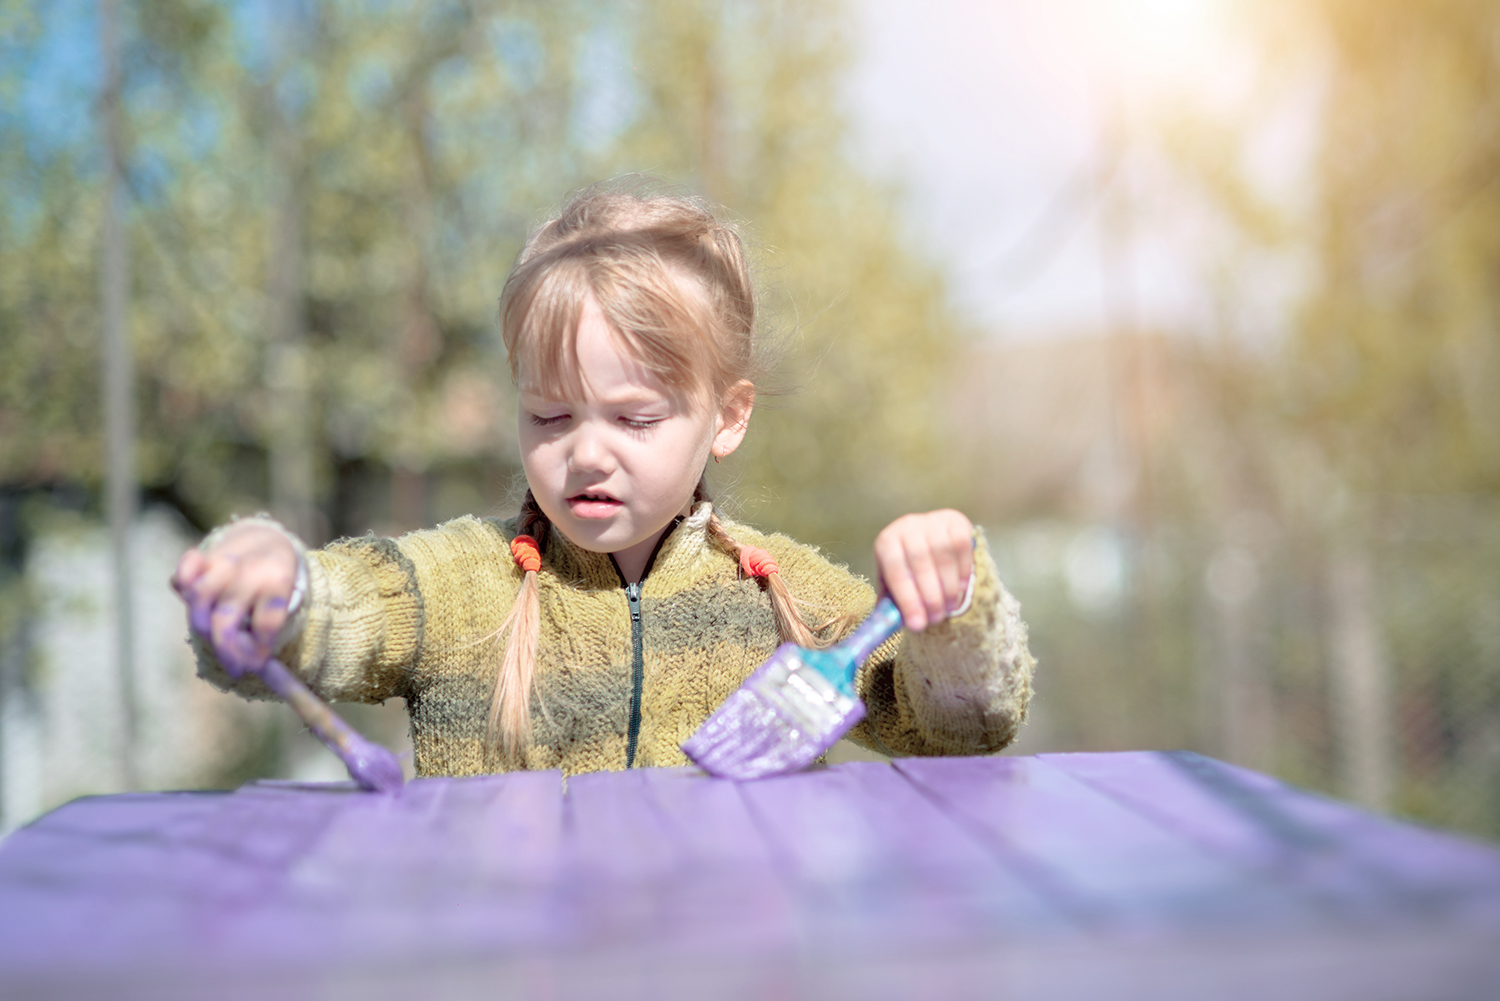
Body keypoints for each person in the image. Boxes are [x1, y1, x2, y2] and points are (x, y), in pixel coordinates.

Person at [172, 182, 1035, 777]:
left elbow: (963, 726)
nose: (586, 453)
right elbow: (339, 613)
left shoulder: (785, 605)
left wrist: (948, 613)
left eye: (634, 418)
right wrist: (272, 586)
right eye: (550, 416)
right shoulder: (465, 588)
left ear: (727, 417)